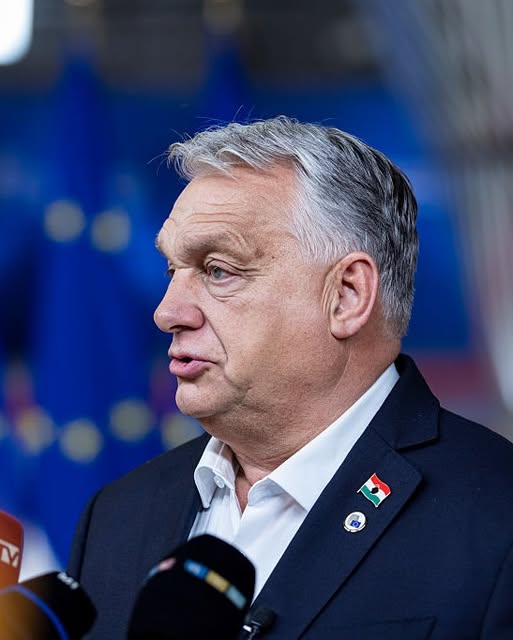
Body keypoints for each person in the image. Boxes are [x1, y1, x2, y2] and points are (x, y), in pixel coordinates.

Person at [68, 117, 513, 639]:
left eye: (217, 270)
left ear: (346, 296)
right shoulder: (115, 517)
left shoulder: (497, 512)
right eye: (172, 270)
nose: (167, 312)